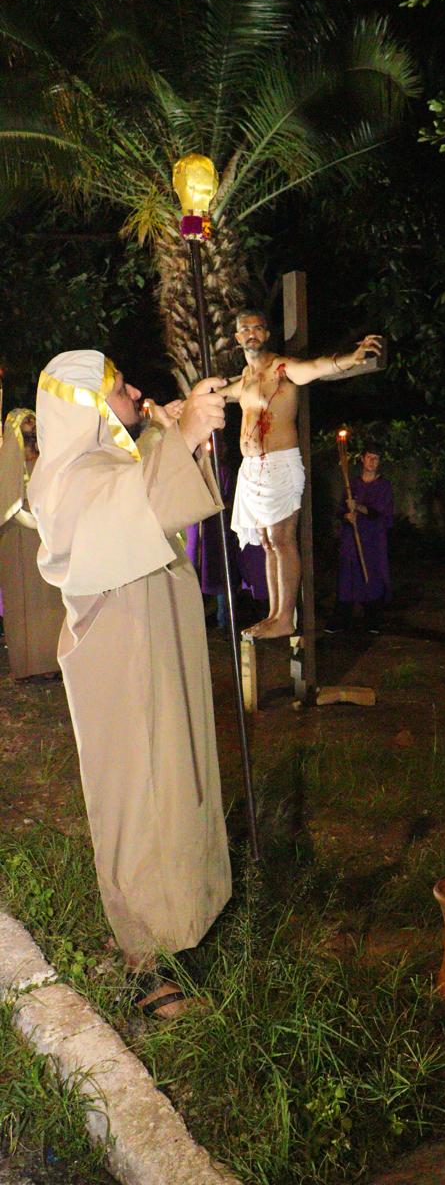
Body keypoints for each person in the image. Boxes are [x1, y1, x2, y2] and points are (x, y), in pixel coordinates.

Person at [29, 351, 231, 1017]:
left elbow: (145, 493)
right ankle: (145, 969)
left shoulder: (104, 464)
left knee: (169, 786)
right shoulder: (70, 478)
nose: (136, 391)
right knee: (139, 803)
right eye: (120, 387)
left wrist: (170, 436)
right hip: (124, 666)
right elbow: (134, 506)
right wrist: (182, 434)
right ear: (86, 404)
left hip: (151, 654)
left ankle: (177, 926)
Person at [220, 309, 382, 637]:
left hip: (280, 464)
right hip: (252, 470)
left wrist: (350, 358)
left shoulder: (281, 368)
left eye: (257, 328)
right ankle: (274, 614)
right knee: (266, 541)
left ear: (266, 334)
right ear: (237, 337)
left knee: (281, 538)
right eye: (245, 329)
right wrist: (190, 401)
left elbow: (315, 367)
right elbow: (224, 392)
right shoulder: (246, 377)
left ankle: (285, 617)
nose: (251, 333)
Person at [0, 408, 65, 679]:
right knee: (24, 604)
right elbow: (7, 502)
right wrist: (26, 517)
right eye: (27, 424)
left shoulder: (47, 461)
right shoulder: (6, 464)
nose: (32, 427)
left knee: (50, 601)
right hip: (18, 541)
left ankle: (52, 660)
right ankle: (29, 664)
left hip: (47, 538)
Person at [325, 446, 394, 634]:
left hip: (372, 539)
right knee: (347, 575)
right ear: (363, 459)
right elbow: (341, 509)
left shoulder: (383, 486)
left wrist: (358, 507)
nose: (372, 462)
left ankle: (372, 618)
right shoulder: (352, 484)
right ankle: (342, 618)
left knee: (371, 574)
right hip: (351, 539)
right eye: (369, 457)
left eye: (376, 458)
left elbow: (379, 511)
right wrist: (347, 515)